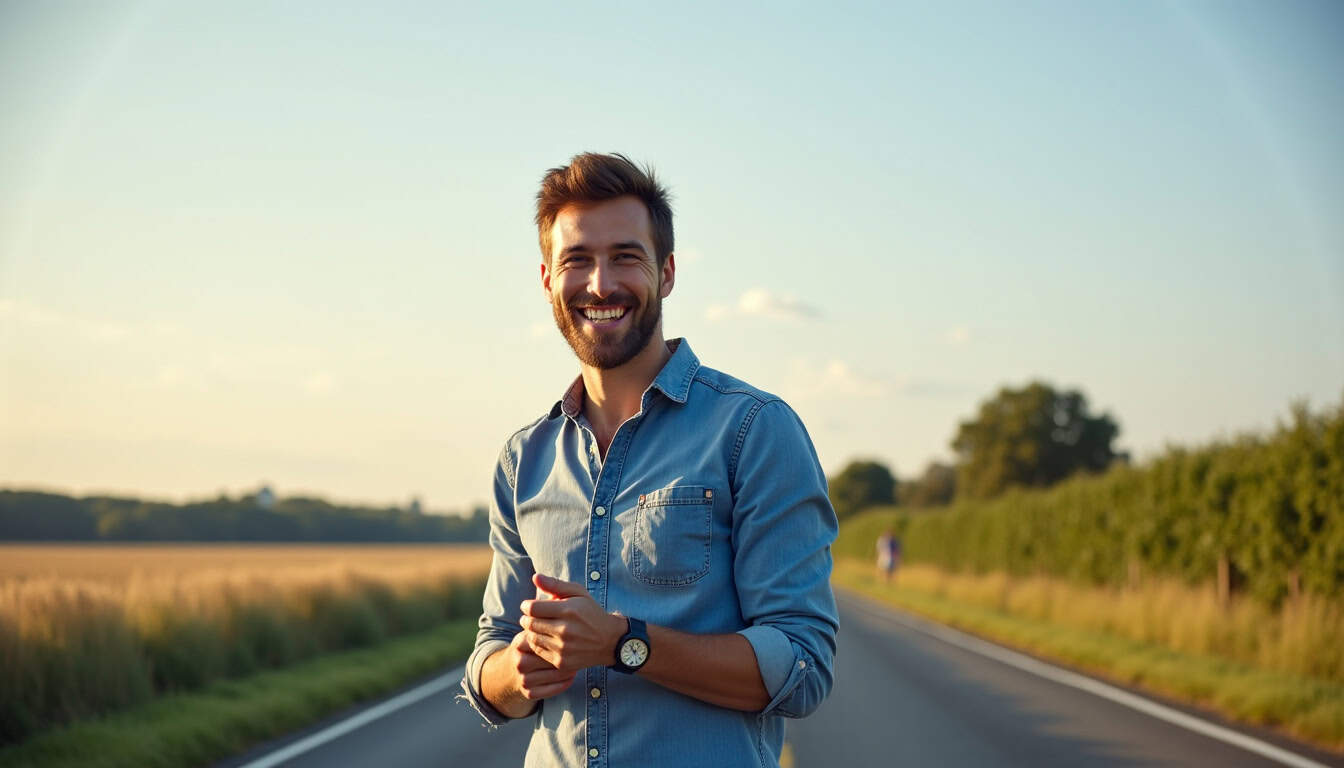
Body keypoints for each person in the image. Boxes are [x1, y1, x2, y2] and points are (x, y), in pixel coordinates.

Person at [458, 152, 839, 767]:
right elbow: (489, 661)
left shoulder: (754, 430)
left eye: (625, 257)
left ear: (666, 273)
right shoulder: (522, 459)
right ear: (548, 279)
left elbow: (802, 665)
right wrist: (516, 671)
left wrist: (622, 643)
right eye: (577, 260)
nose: (600, 284)